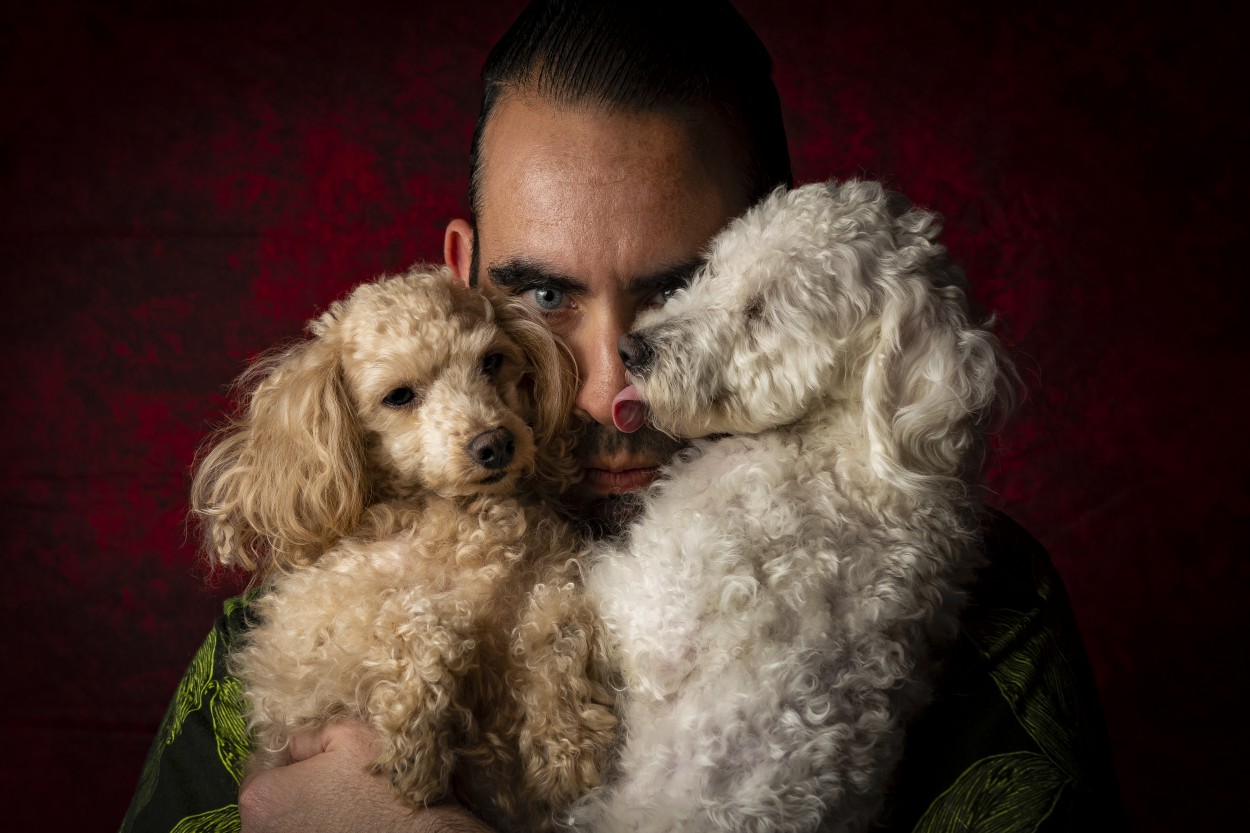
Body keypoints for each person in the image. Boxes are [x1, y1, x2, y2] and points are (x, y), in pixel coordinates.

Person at [121, 2, 1124, 832]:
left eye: (678, 290)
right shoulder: (299, 609)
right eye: (544, 299)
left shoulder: (975, 607)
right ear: (461, 279)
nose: (611, 389)